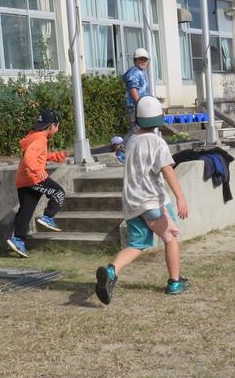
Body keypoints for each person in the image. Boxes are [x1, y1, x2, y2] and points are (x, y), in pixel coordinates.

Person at [95, 96, 190, 304]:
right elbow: (167, 171)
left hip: (132, 202)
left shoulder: (131, 141)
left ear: (138, 119)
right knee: (170, 238)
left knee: (136, 244)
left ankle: (111, 271)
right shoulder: (157, 142)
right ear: (159, 119)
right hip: (153, 201)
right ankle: (175, 282)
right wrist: (180, 198)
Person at [9, 109, 68, 257]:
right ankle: (48, 216)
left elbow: (38, 154)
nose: (57, 129)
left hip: (22, 179)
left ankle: (18, 240)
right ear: (52, 125)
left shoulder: (33, 136)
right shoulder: (41, 139)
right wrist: (38, 171)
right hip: (33, 177)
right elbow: (29, 158)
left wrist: (55, 156)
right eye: (57, 126)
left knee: (26, 210)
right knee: (59, 192)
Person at [123, 48, 151, 133]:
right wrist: (140, 104)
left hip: (139, 105)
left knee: (140, 129)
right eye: (140, 59)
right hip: (134, 106)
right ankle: (126, 142)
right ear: (135, 60)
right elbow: (133, 89)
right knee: (136, 130)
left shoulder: (141, 72)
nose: (143, 61)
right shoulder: (134, 73)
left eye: (145, 60)